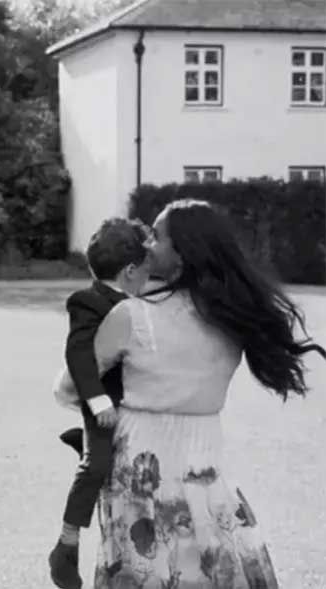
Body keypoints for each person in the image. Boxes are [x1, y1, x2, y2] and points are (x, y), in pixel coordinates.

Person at [84, 199, 325, 588]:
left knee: (144, 570)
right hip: (204, 468)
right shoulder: (233, 318)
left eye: (157, 237)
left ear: (183, 253)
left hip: (140, 464)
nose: (147, 246)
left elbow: (71, 385)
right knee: (213, 566)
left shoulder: (132, 315)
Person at [48, 218, 151, 589]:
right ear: (130, 271)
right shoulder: (88, 302)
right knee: (98, 467)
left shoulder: (140, 305)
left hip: (137, 405)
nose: (148, 280)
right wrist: (97, 401)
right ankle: (66, 545)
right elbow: (78, 356)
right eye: (146, 272)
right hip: (103, 407)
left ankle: (85, 447)